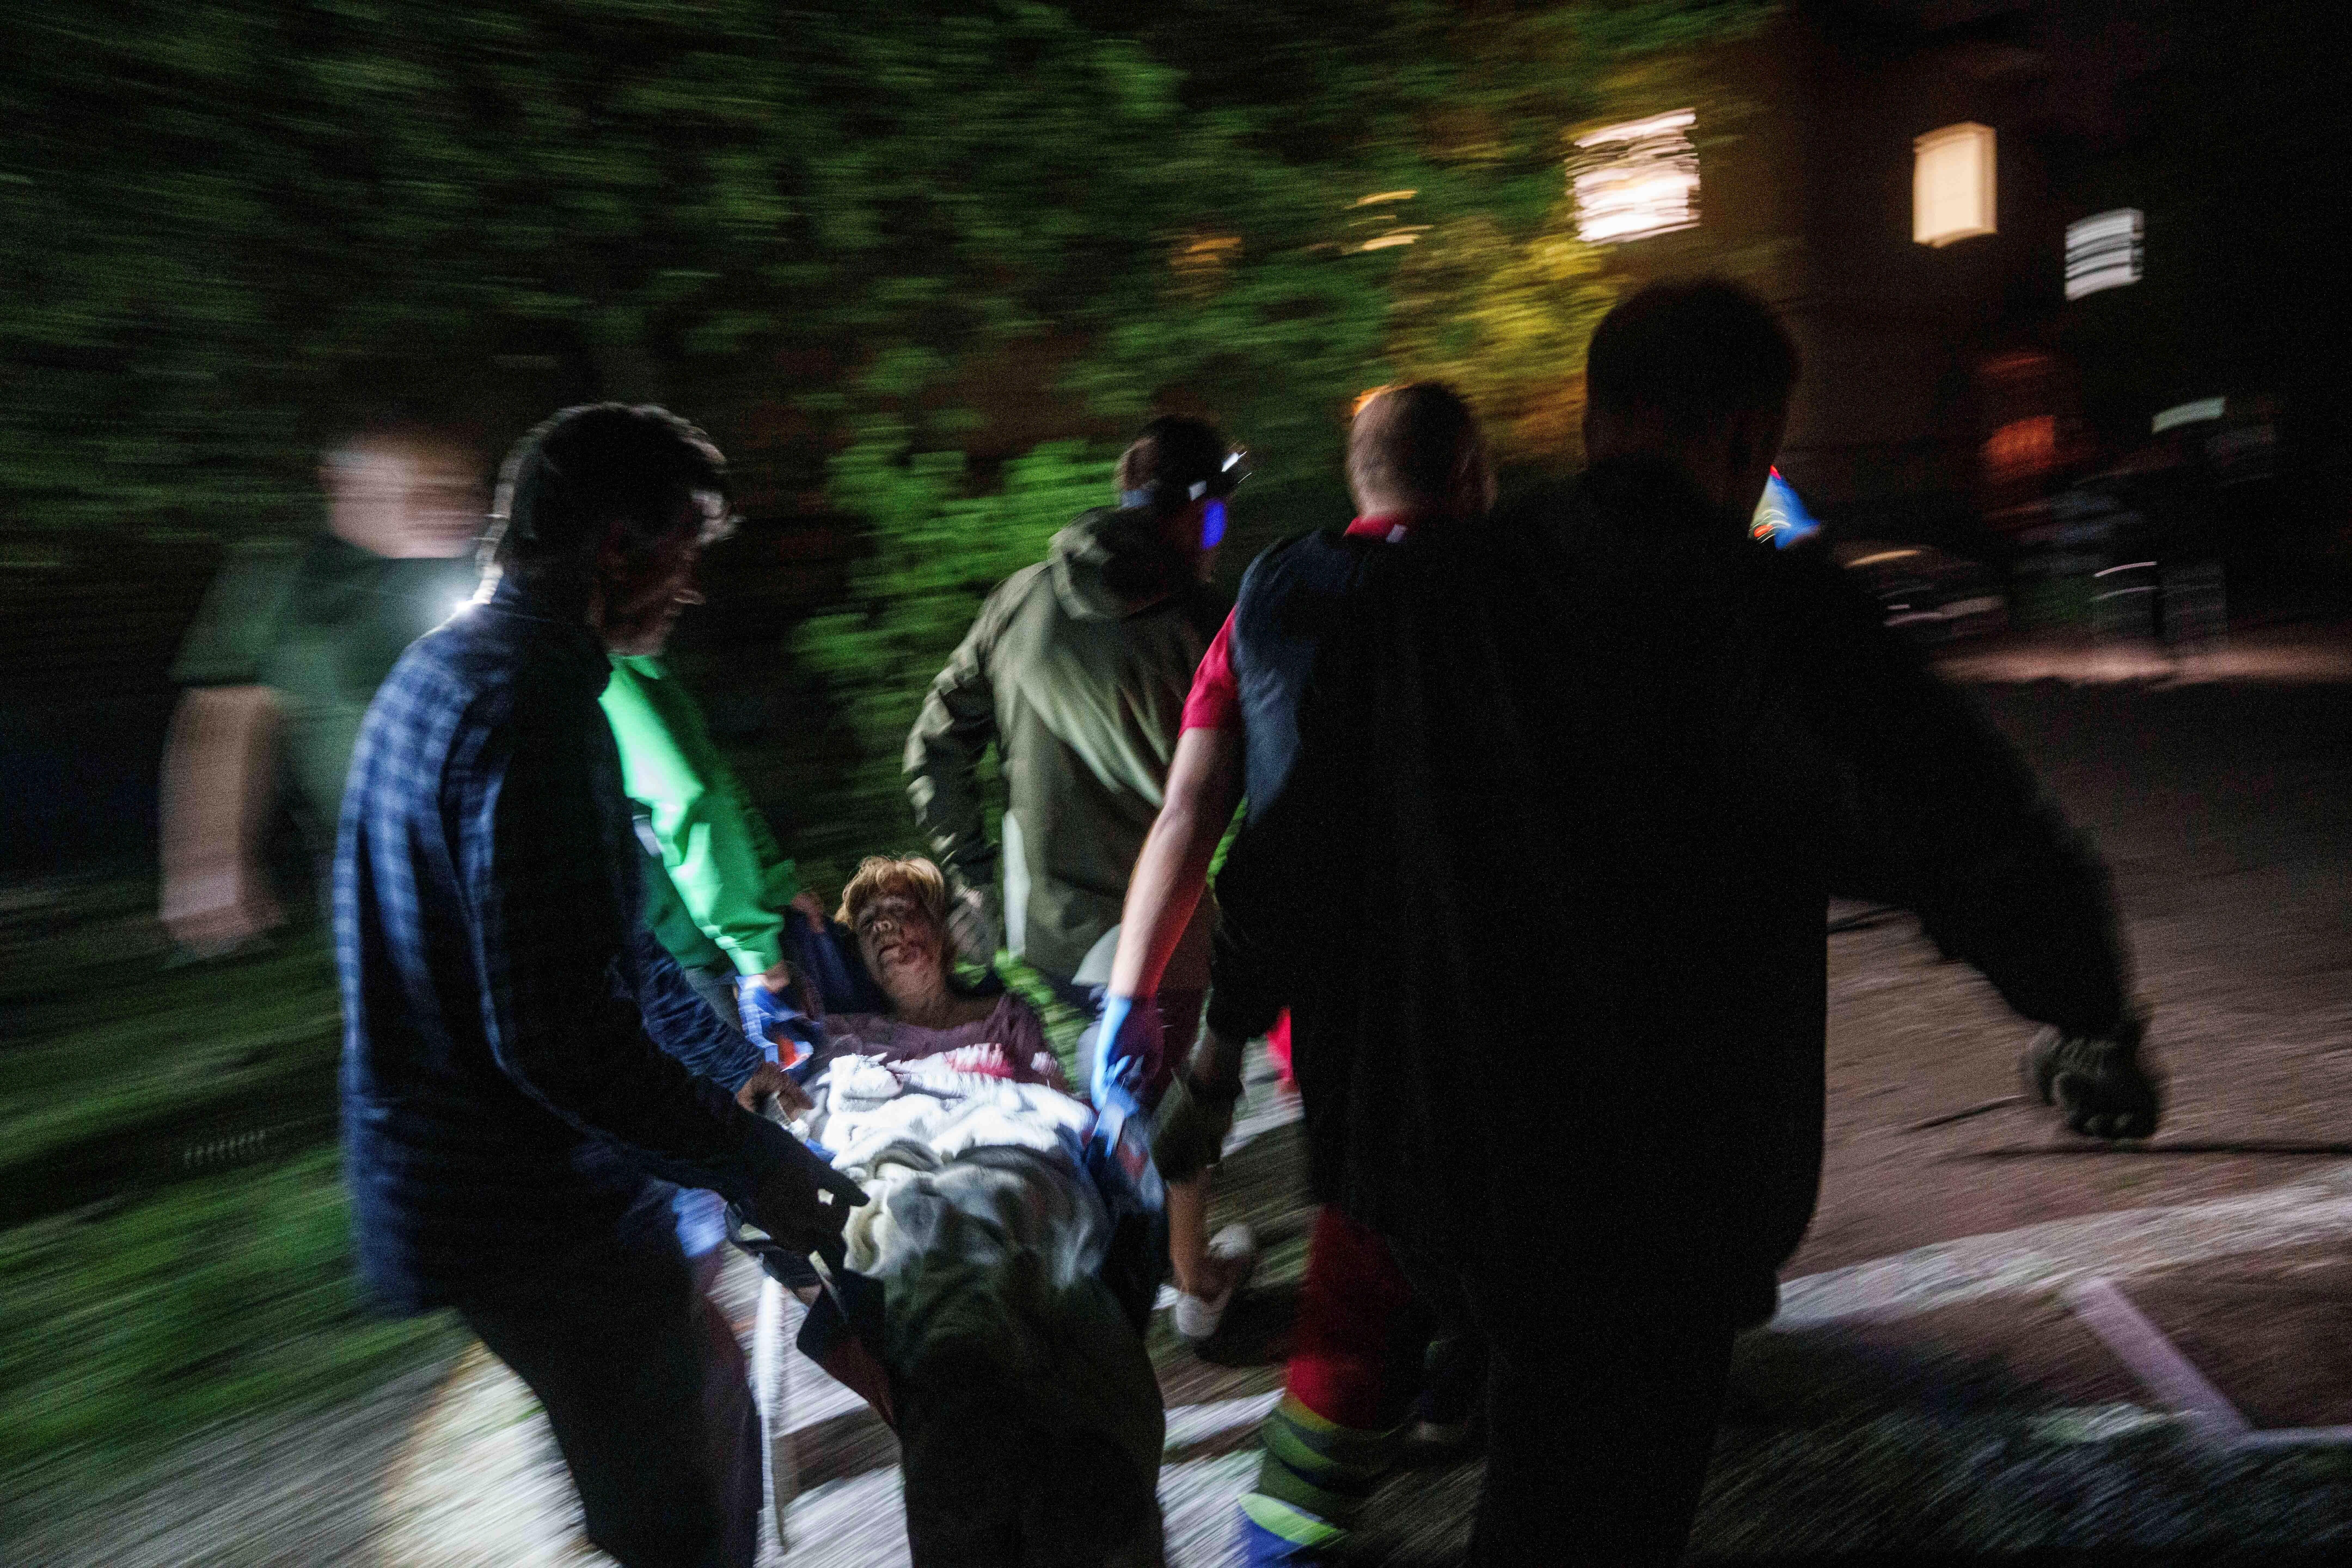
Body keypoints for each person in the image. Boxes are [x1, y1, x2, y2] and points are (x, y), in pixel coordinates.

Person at [1195, 280, 2161, 1566]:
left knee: (1539, 1457)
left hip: (1428, 1159)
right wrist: (2091, 1015)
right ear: (1747, 433)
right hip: (1642, 1191)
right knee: (1587, 1505)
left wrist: (1211, 1054)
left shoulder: (1423, 599)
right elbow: (1968, 830)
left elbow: (1294, 851)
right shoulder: (1767, 612)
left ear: (1596, 420)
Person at [338, 403, 864, 1568]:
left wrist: (744, 1073)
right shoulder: (531, 712)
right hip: (522, 1204)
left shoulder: (458, 670)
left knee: (699, 1408)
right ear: (617, 547)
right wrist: (757, 1168)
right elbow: (557, 1034)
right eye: (682, 554)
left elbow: (611, 951)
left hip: (469, 1186)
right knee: (679, 1497)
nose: (690, 591)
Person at [1113, 384, 1495, 1559]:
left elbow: (1194, 809)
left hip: (1310, 1009)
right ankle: (1292, 1526)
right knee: (1380, 1277)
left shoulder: (1270, 597)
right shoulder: (1517, 588)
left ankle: (1438, 1394)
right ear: (1471, 475)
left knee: (1382, 1228)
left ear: (1357, 483)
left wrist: (1138, 1006)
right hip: (1488, 997)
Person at [904, 414, 1239, 1303]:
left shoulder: (1019, 600)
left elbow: (933, 748)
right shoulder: (1207, 625)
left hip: (1042, 928)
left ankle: (1097, 1265)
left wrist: (973, 871)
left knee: (1098, 1103)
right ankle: (1189, 1280)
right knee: (1179, 1107)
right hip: (1162, 938)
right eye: (1218, 518)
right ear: (1198, 517)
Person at [161, 419, 483, 952]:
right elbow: (225, 720)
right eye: (425, 488)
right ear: (341, 483)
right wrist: (210, 862)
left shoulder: (500, 568)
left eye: (465, 487)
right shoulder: (281, 580)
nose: (453, 506)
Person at [819, 854, 1068, 1088]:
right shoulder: (849, 1036)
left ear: (943, 930)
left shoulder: (1006, 1020)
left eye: (898, 909)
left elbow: (1059, 1108)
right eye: (866, 921)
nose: (881, 925)